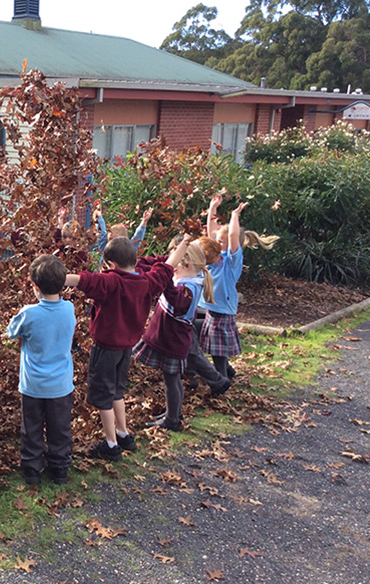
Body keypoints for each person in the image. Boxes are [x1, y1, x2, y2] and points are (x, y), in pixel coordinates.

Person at [64, 237, 174, 461]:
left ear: (111, 265)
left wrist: (53, 278)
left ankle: (111, 444)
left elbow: (86, 281)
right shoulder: (146, 282)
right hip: (126, 347)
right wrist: (184, 245)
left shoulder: (112, 282)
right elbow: (167, 267)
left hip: (105, 348)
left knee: (104, 396)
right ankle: (124, 434)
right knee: (116, 392)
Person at [133, 237, 221, 431]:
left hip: (173, 341)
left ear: (186, 264)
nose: (171, 268)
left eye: (175, 264)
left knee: (171, 380)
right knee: (170, 379)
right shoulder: (183, 276)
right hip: (167, 338)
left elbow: (178, 302)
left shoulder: (190, 286)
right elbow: (156, 263)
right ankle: (173, 413)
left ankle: (173, 419)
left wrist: (164, 279)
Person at [7, 255, 76, 485]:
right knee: (60, 427)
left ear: (35, 287)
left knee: (32, 427)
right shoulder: (69, 309)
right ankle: (59, 468)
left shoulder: (30, 313)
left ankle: (32, 468)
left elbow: (11, 331)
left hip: (34, 384)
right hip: (60, 384)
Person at [200, 195, 278, 379]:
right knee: (213, 346)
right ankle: (228, 371)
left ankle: (220, 381)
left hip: (223, 309)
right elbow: (211, 231)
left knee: (217, 351)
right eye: (217, 240)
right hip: (210, 306)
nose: (217, 243)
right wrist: (212, 208)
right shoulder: (213, 256)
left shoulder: (231, 260)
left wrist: (235, 216)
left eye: (221, 242)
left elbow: (234, 236)